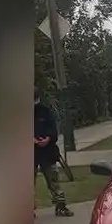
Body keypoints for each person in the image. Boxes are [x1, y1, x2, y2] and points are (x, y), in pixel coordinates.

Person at [34, 88, 74, 217]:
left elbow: (53, 130)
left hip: (48, 152)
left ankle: (60, 206)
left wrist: (48, 138)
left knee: (53, 180)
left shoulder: (45, 111)